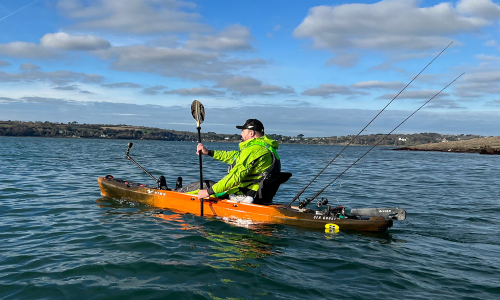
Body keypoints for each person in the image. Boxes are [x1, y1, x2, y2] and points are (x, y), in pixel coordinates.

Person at [180, 119, 281, 203]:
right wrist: (209, 152)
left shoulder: (253, 150)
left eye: (243, 131)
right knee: (209, 185)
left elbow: (234, 177)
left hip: (244, 195)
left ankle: (175, 193)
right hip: (258, 195)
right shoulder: (267, 149)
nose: (241, 134)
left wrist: (208, 192)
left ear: (252, 133)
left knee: (206, 185)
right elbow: (234, 156)